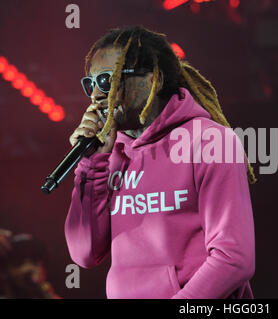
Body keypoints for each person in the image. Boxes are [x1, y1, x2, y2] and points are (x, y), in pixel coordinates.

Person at [65, 26, 256, 299]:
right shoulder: (109, 154)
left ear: (152, 79)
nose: (95, 95)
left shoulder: (209, 141)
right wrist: (91, 165)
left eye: (107, 80)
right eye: (91, 84)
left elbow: (234, 258)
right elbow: (84, 254)